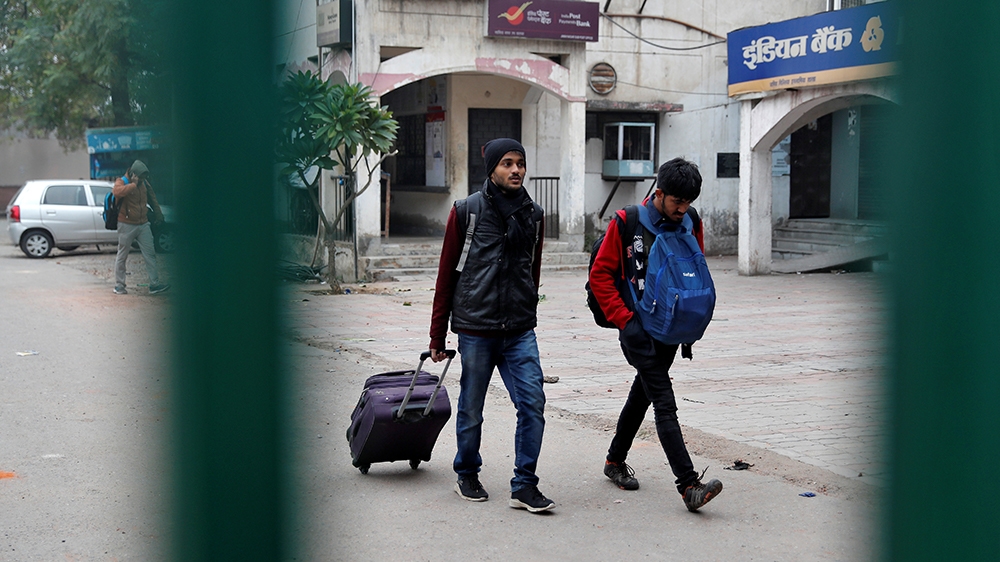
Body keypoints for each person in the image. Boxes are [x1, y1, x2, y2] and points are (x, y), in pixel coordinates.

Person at [589, 157, 723, 512]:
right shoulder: (627, 222)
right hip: (637, 330)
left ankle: (614, 462)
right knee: (664, 401)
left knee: (642, 395)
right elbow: (600, 277)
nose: (683, 209)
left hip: (671, 330)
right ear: (659, 193)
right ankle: (689, 485)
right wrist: (625, 322)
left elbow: (694, 269)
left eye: (689, 202)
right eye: (677, 202)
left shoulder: (691, 220)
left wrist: (691, 320)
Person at [428, 138, 555, 513]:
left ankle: (524, 484)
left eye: (520, 163)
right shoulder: (466, 211)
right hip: (476, 328)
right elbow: (445, 276)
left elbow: (533, 268)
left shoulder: (534, 215)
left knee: (532, 404)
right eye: (507, 163)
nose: (516, 170)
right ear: (492, 169)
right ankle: (467, 472)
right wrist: (438, 334)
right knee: (471, 407)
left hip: (518, 330)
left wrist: (527, 304)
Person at [112, 160, 170, 295]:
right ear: (133, 174)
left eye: (144, 178)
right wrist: (133, 184)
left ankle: (154, 285)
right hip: (126, 224)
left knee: (150, 254)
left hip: (143, 224)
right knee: (122, 255)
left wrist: (158, 214)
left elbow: (152, 198)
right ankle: (119, 285)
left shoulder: (144, 183)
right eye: (141, 177)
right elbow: (117, 192)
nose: (143, 180)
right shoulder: (122, 181)